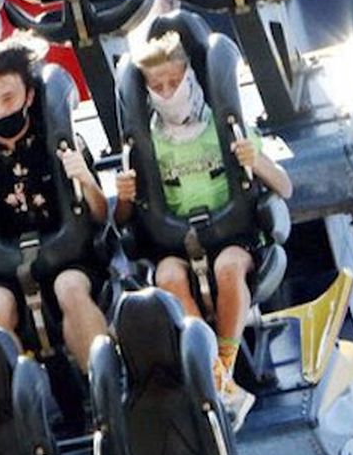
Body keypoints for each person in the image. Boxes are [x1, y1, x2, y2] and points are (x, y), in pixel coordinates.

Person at [115, 30, 293, 429]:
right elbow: (123, 221)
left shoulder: (224, 126)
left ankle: (222, 369)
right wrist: (124, 196)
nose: (167, 92)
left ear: (190, 76)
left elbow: (285, 186)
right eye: (157, 87)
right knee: (167, 276)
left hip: (232, 234)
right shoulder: (147, 142)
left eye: (174, 83)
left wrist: (256, 161)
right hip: (174, 240)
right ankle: (215, 374)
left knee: (228, 267)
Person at [0, 35, 109, 372]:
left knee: (70, 288)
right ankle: (19, 405)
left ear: (29, 95)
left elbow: (100, 215)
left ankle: (101, 381)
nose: (0, 110)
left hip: (68, 259)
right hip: (3, 268)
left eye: (9, 98)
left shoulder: (60, 140)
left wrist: (86, 181)